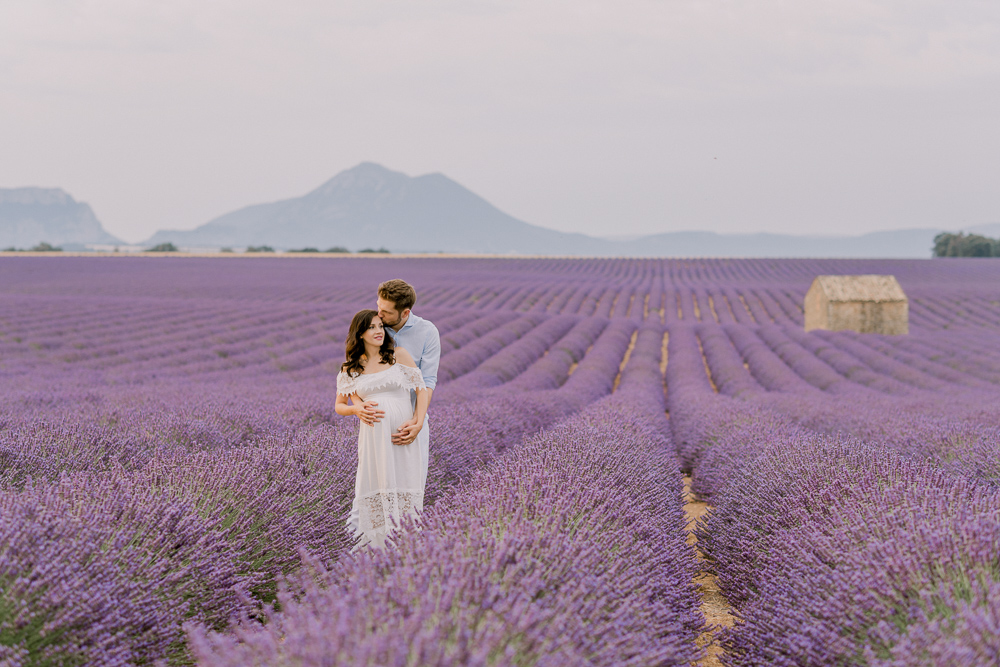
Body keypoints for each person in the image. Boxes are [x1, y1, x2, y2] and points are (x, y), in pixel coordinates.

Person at [335, 309, 430, 549]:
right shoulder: (351, 368)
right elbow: (339, 405)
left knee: (405, 482)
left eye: (380, 326)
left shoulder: (398, 355)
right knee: (376, 485)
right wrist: (356, 410)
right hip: (373, 438)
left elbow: (421, 389)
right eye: (371, 327)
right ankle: (377, 548)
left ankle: (407, 547)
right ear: (360, 333)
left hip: (402, 433)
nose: (378, 331)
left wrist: (417, 421)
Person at [354, 280, 440, 447]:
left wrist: (418, 419)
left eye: (386, 312)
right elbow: (353, 375)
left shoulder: (428, 332)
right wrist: (358, 406)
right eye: (379, 306)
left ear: (405, 313)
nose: (379, 314)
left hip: (412, 423)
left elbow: (428, 381)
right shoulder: (373, 328)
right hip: (376, 424)